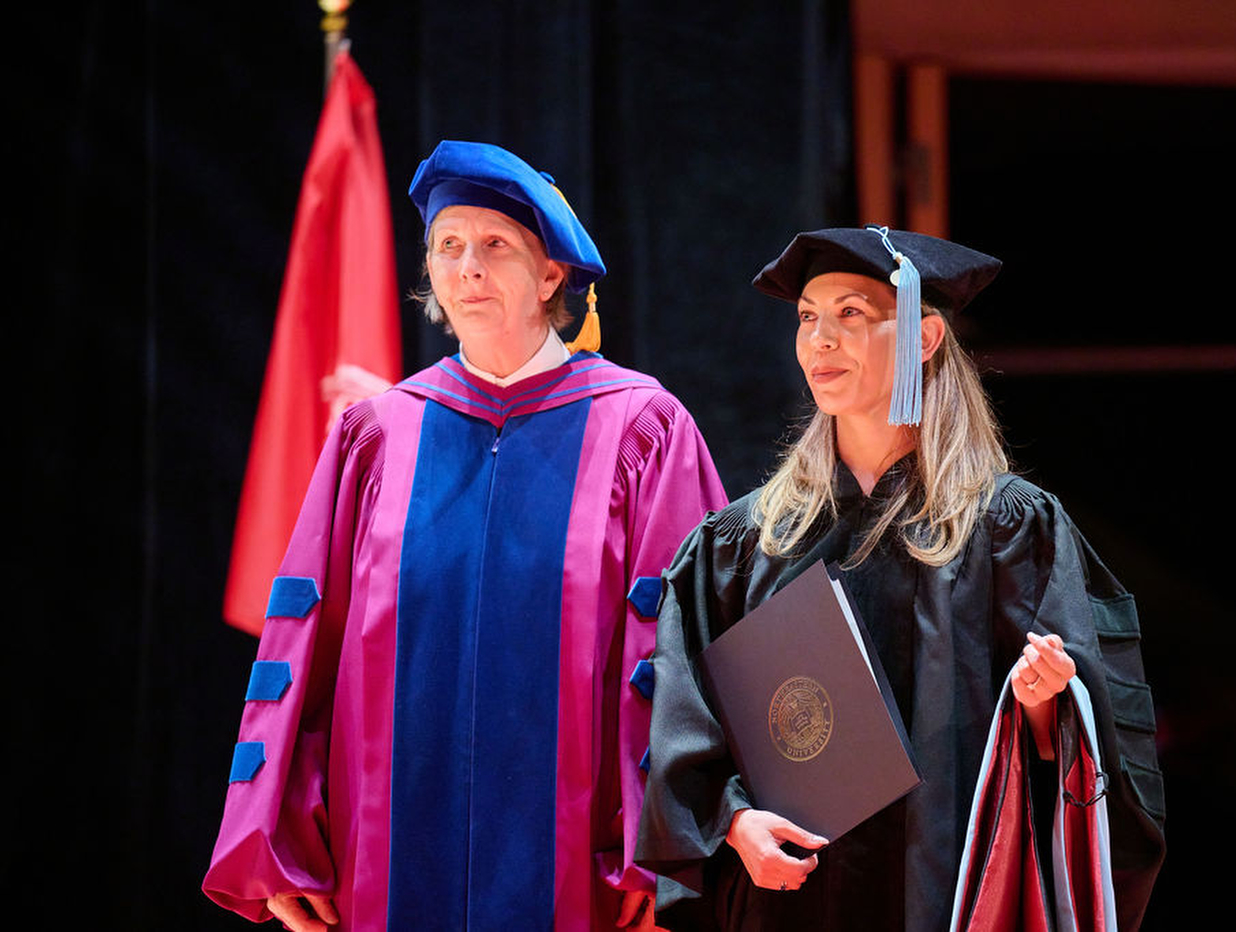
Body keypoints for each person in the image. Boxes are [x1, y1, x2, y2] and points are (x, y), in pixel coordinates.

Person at [203, 140, 727, 931]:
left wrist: (668, 857)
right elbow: (304, 649)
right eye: (448, 246)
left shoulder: (641, 431)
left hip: (581, 875)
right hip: (382, 858)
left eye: (495, 246)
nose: (467, 268)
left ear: (551, 274)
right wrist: (281, 843)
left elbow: (685, 655)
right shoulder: (377, 437)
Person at [635, 226, 1165, 930]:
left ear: (924, 339)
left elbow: (1079, 758)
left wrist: (1044, 705)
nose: (818, 340)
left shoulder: (1008, 529)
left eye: (850, 314)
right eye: (806, 318)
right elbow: (686, 723)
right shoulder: (746, 542)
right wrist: (734, 824)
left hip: (948, 892)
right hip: (792, 900)